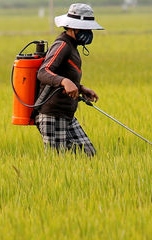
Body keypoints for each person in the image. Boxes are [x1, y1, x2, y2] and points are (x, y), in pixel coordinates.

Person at [36, 3, 105, 156]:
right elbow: (43, 72)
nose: (89, 32)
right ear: (73, 27)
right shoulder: (62, 45)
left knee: (88, 153)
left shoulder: (72, 46)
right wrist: (64, 82)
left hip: (66, 113)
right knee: (59, 161)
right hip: (52, 114)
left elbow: (64, 74)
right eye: (86, 28)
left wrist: (80, 88)